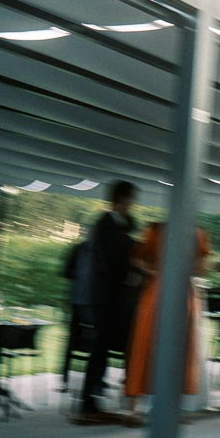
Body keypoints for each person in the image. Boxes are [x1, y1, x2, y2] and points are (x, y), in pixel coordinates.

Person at [124, 221, 211, 413]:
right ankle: (172, 407)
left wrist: (153, 271)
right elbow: (201, 269)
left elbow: (138, 259)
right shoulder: (196, 233)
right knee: (180, 347)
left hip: (155, 290)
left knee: (145, 345)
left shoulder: (155, 230)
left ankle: (133, 406)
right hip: (181, 292)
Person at [74, 180, 140, 425]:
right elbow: (111, 262)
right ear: (123, 199)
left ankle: (97, 399)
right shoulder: (105, 225)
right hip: (105, 298)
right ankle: (88, 403)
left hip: (112, 297)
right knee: (100, 349)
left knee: (107, 348)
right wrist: (132, 273)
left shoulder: (119, 226)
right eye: (131, 199)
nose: (133, 204)